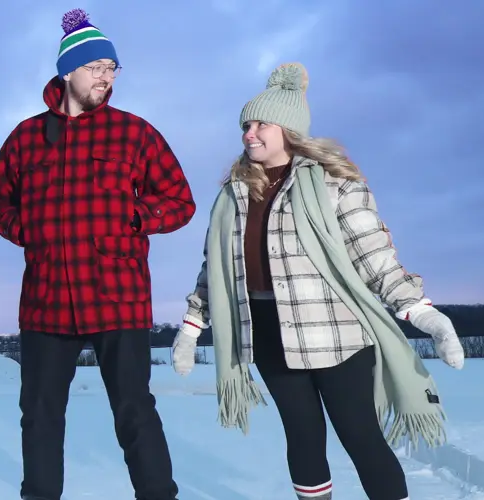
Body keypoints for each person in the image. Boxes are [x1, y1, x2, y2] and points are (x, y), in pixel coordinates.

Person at [170, 62, 467, 500]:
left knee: (360, 436)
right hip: (268, 332)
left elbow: (375, 258)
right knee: (303, 437)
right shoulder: (232, 195)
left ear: (288, 128)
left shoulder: (335, 186)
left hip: (336, 333)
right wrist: (192, 328)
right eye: (245, 125)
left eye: (260, 124)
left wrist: (424, 314)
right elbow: (214, 270)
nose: (249, 133)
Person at [0, 9, 196, 500]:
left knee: (134, 411)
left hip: (117, 297)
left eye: (112, 68)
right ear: (67, 72)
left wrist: (136, 218)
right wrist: (29, 231)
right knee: (38, 414)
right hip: (46, 300)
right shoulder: (24, 137)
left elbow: (180, 201)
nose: (107, 77)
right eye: (96, 67)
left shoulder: (134, 133)